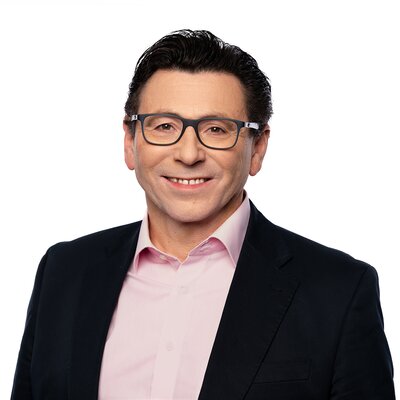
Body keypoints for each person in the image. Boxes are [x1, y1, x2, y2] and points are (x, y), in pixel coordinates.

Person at [11, 29, 395, 400]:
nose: (189, 154)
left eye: (216, 129)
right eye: (164, 126)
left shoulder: (338, 291)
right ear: (130, 142)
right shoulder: (64, 271)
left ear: (258, 148)